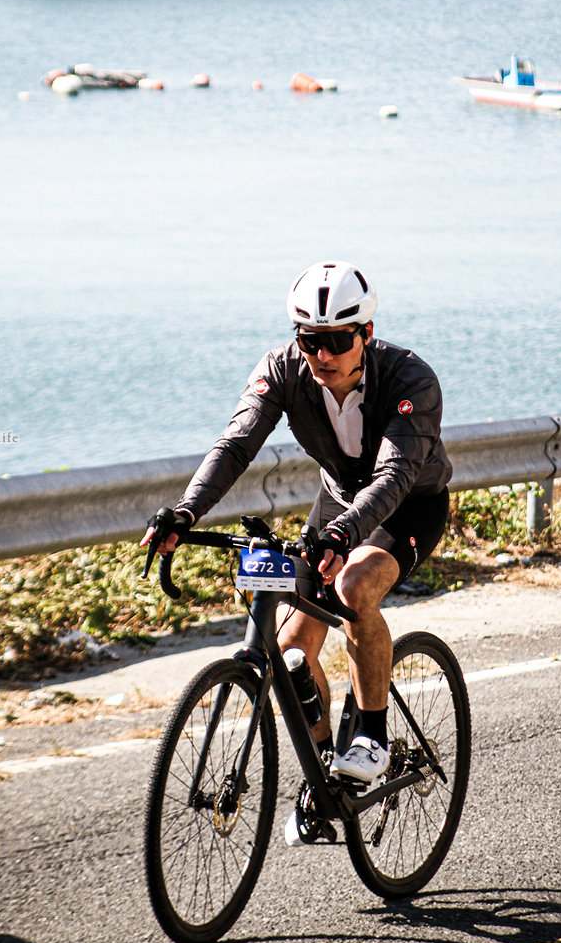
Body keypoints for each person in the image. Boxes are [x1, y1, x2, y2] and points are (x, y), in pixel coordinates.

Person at [141, 261, 453, 842]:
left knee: (354, 586)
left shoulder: (411, 378)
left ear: (365, 334)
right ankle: (324, 774)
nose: (322, 354)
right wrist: (186, 511)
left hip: (409, 504)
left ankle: (373, 736)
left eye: (336, 341)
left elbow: (394, 474)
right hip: (337, 503)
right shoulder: (284, 369)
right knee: (289, 650)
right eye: (310, 340)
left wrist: (346, 535)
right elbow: (236, 444)